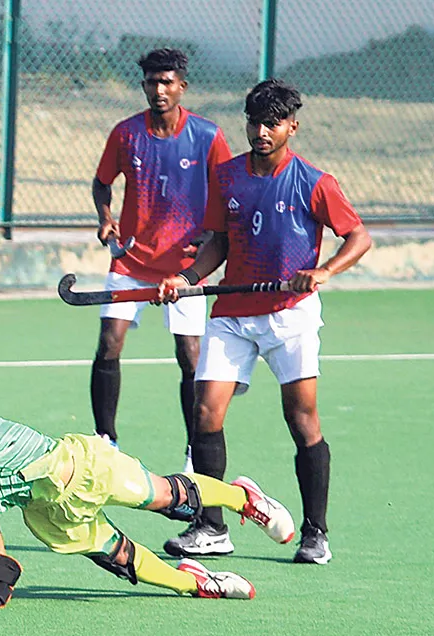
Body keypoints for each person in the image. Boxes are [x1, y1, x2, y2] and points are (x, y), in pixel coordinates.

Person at [156, 79, 373, 565]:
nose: (261, 131)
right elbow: (219, 242)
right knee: (206, 412)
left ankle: (315, 532)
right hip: (234, 314)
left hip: (289, 315)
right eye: (254, 122)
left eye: (272, 123)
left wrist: (323, 270)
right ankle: (212, 526)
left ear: (291, 126)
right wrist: (188, 277)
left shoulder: (315, 182)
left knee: (302, 420)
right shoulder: (228, 176)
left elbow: (358, 237)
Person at [0, 361, 296, 605]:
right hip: (45, 508)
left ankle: (244, 498)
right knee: (117, 556)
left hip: (81, 468)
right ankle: (197, 582)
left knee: (166, 496)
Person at [90, 47, 232, 467]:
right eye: (152, 82)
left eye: (167, 81)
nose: (159, 89)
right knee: (109, 342)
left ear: (181, 87)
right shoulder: (125, 134)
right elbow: (102, 183)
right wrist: (106, 218)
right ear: (144, 86)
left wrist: (210, 237)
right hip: (131, 261)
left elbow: (228, 193)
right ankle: (105, 441)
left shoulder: (207, 136)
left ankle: (194, 450)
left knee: (190, 354)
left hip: (185, 268)